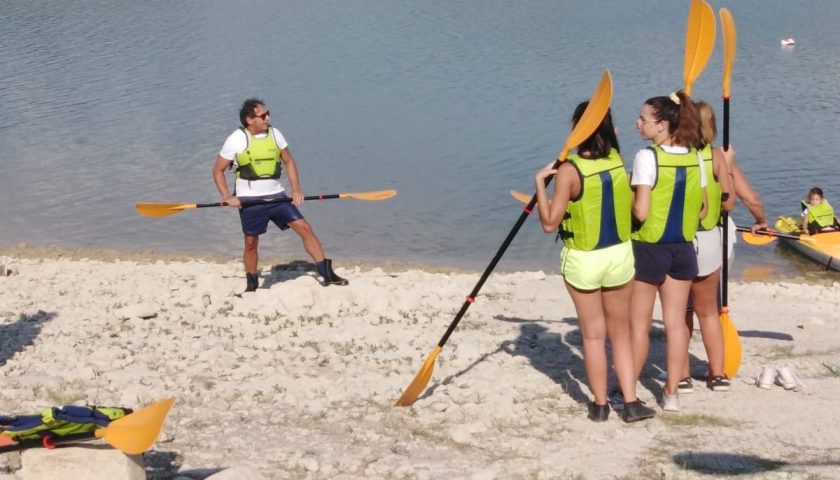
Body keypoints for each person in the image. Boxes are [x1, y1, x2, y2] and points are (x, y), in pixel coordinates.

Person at [534, 102, 655, 423]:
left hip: (584, 260)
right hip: (618, 256)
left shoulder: (569, 171)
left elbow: (549, 223)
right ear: (609, 129)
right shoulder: (617, 161)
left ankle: (600, 405)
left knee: (592, 336)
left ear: (578, 130)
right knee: (621, 334)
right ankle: (630, 403)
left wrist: (538, 182)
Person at [212, 98, 348, 292]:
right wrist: (227, 196)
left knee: (304, 228)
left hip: (277, 197)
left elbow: (289, 162)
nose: (268, 118)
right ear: (250, 120)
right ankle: (251, 284)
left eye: (268, 114)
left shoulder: (275, 134)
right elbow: (217, 170)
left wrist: (296, 190)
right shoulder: (236, 139)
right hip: (250, 202)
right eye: (263, 115)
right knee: (251, 242)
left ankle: (326, 273)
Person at [628, 91, 707, 413]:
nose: (637, 123)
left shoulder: (647, 157)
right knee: (676, 324)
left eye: (643, 119)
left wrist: (627, 199)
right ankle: (671, 393)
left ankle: (629, 386)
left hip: (649, 247)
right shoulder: (696, 156)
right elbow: (701, 210)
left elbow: (642, 212)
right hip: (684, 249)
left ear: (661, 125)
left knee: (638, 325)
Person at [679, 101, 736, 394]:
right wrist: (729, 166)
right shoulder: (716, 158)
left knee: (681, 312)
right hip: (710, 239)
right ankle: (718, 374)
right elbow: (729, 202)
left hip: (681, 240)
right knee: (708, 312)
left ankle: (682, 376)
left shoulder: (677, 156)